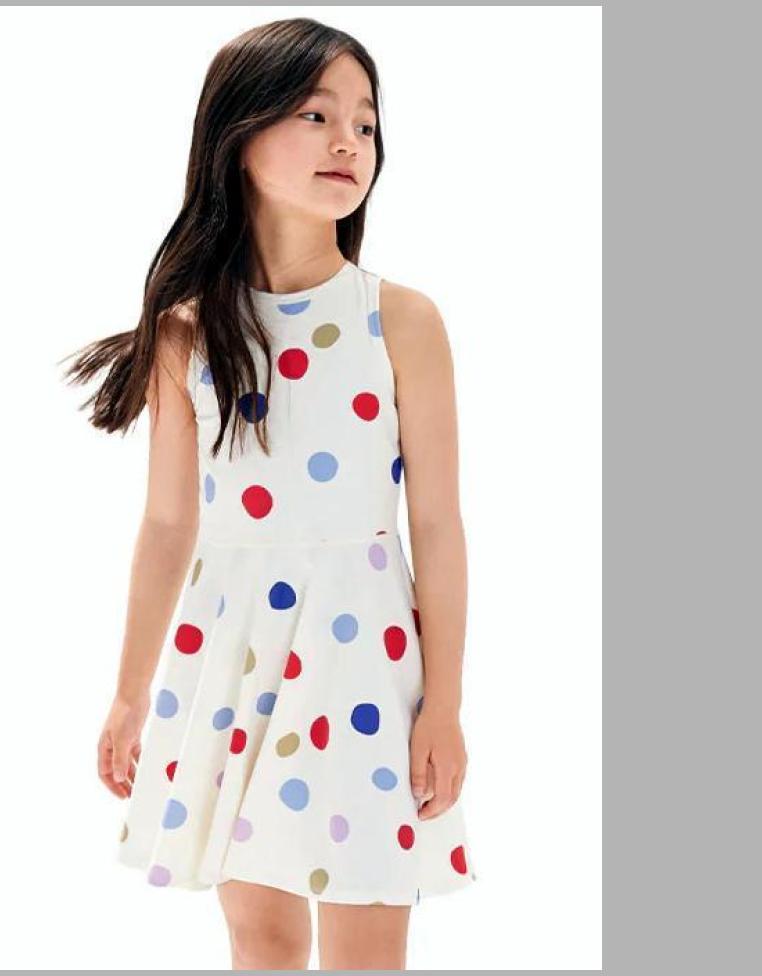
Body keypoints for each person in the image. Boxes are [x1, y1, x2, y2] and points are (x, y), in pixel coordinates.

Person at [61, 17, 476, 971]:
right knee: (263, 938)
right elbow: (169, 524)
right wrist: (128, 692)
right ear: (237, 136)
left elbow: (438, 526)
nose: (348, 142)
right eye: (315, 114)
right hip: (236, 654)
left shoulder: (399, 320)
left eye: (366, 123)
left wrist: (445, 705)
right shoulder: (186, 334)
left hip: (364, 660)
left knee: (369, 937)